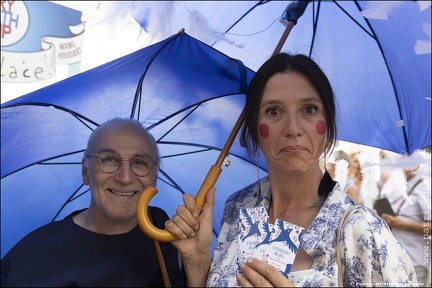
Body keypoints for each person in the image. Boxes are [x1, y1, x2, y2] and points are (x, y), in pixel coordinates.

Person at [165, 53, 418, 287]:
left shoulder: (361, 230)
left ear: (328, 124)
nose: (293, 128)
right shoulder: (238, 207)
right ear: (254, 127)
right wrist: (198, 262)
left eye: (309, 109)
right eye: (273, 111)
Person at [1, 118, 187, 287]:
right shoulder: (32, 257)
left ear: (154, 177)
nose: (125, 178)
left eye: (140, 162)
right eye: (108, 159)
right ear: (85, 172)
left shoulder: (163, 228)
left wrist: (198, 262)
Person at [380, 162, 431, 287]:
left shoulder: (426, 186)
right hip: (389, 259)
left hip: (414, 260)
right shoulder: (392, 184)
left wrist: (403, 224)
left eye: (414, 161)